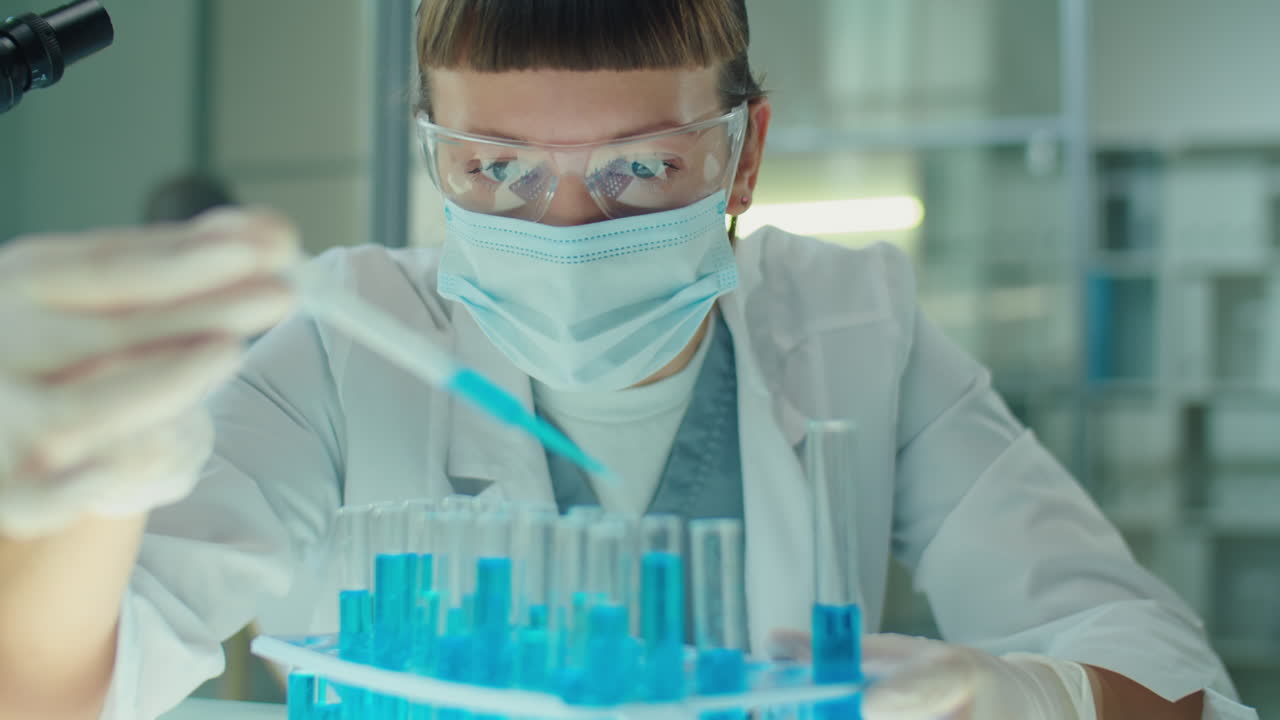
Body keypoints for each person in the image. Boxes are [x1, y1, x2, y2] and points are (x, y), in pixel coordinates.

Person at [0, 2, 1255, 719]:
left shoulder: (849, 325)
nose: (561, 227)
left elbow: (1172, 678)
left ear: (742, 154)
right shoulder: (341, 341)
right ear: (433, 145)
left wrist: (1014, 701)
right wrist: (87, 483)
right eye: (494, 168)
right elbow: (55, 693)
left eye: (637, 167)